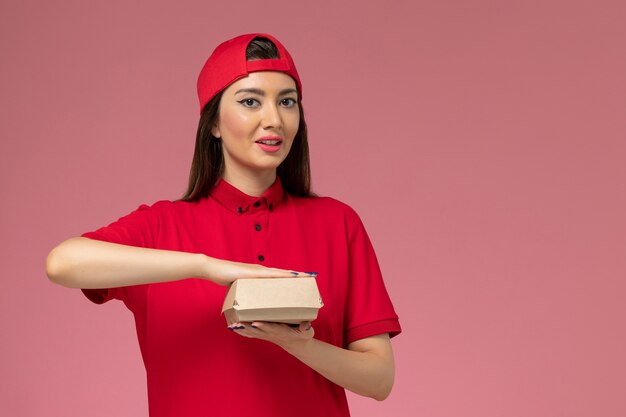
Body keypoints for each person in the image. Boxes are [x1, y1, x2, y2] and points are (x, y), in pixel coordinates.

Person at [46, 33, 401, 417]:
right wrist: (205, 266)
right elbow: (63, 263)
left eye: (287, 102)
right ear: (213, 123)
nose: (275, 120)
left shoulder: (338, 223)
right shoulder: (162, 227)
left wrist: (295, 343)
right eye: (251, 101)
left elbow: (379, 379)